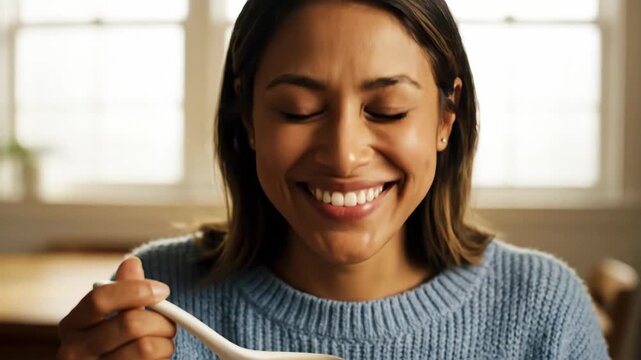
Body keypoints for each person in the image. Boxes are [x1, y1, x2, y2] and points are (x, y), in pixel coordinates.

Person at [57, 0, 609, 359]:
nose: (344, 157)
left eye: (388, 109)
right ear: (248, 117)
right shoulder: (159, 306)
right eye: (298, 111)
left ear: (446, 117)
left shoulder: (543, 312)